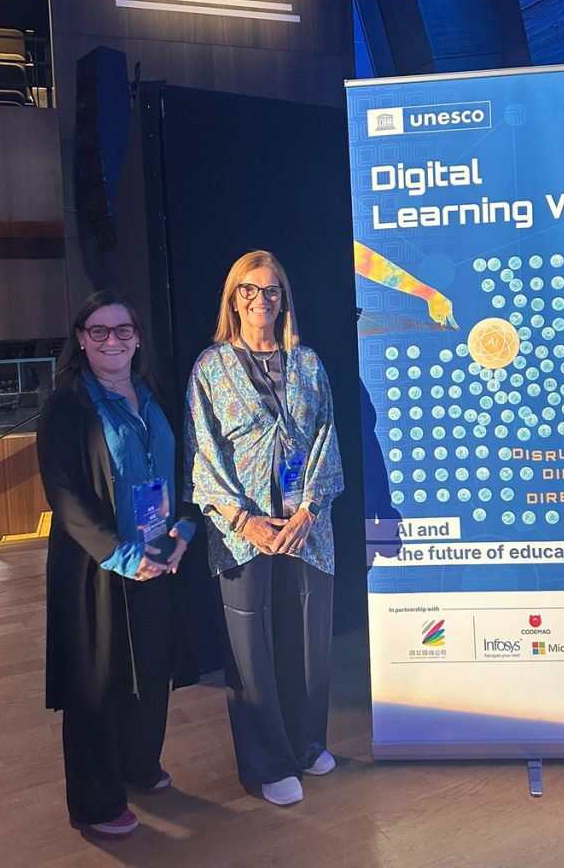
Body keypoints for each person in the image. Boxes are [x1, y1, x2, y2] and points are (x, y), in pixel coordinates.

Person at [184, 250, 344, 806]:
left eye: (271, 290)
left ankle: (307, 743)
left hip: (305, 526)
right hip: (241, 531)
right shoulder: (210, 367)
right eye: (249, 290)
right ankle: (267, 764)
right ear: (234, 299)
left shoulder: (308, 363)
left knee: (307, 638)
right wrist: (243, 518)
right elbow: (202, 452)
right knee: (250, 648)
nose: (261, 300)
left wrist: (308, 511)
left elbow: (327, 436)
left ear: (284, 299)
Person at [37, 291, 196, 840]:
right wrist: (121, 555)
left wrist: (184, 529)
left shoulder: (155, 396)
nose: (113, 340)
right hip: (98, 568)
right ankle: (95, 802)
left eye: (123, 330)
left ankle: (138, 765)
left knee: (149, 671)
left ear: (137, 338)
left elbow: (185, 469)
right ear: (81, 340)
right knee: (97, 683)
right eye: (99, 331)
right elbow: (64, 493)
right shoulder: (68, 405)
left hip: (159, 555)